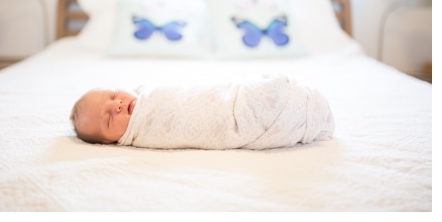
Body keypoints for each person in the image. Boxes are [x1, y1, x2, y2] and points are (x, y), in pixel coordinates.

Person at [71, 74, 335, 149]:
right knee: (262, 105)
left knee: (262, 93)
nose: (117, 105)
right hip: (229, 116)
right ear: (110, 141)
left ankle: (299, 105)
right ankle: (299, 111)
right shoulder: (142, 131)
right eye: (108, 118)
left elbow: (190, 95)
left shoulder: (145, 95)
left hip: (227, 97)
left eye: (114, 95)